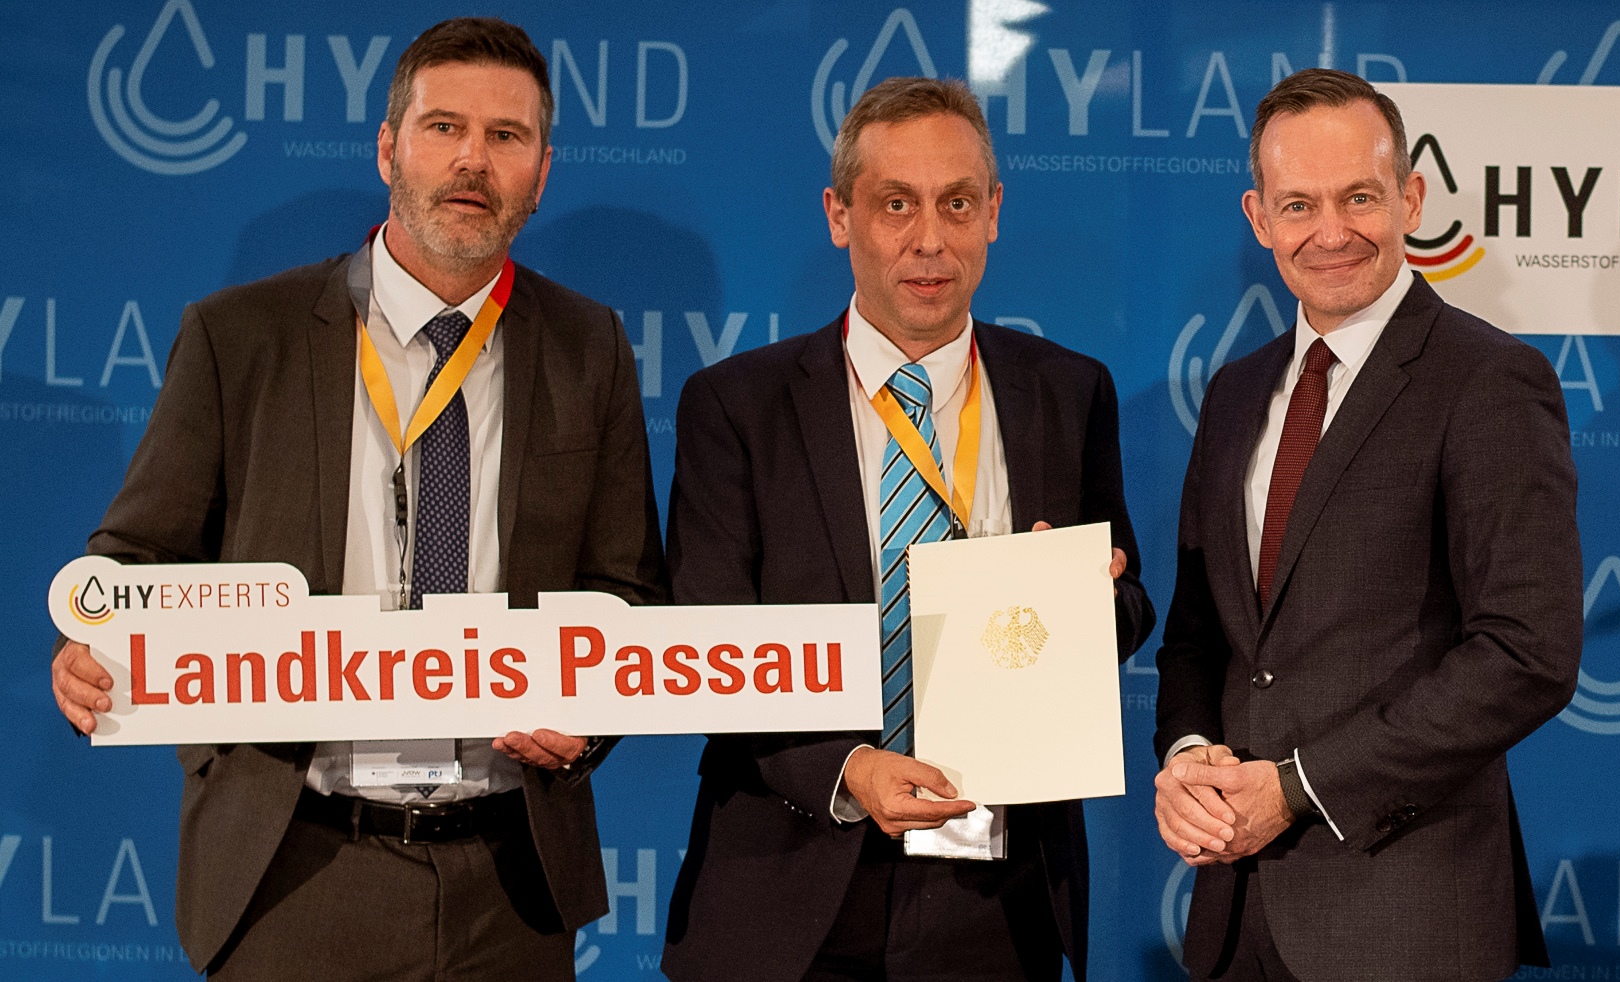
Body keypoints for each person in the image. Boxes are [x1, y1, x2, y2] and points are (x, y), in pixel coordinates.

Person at [48, 17, 666, 980]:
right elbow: (136, 563)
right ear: (388, 148)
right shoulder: (239, 336)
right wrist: (93, 647)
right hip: (295, 863)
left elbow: (624, 589)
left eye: (507, 138)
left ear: (542, 171)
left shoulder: (589, 347)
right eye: (443, 127)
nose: (473, 160)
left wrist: (592, 714)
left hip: (510, 880)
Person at [660, 76, 1154, 982]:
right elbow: (706, 650)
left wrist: (1088, 601)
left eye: (956, 203)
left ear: (994, 212)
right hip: (790, 884)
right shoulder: (737, 406)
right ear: (839, 214)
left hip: (998, 894)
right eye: (896, 204)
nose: (930, 239)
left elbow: (1128, 608)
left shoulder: (1066, 391)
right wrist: (847, 769)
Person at [1152, 68, 1581, 982]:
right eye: (1298, 204)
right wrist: (1189, 760)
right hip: (1235, 918)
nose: (1331, 231)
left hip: (1408, 919)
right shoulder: (1232, 395)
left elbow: (1526, 651)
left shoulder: (1487, 380)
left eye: (1359, 196)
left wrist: (1298, 788)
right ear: (1259, 218)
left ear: (1410, 197)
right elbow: (1198, 635)